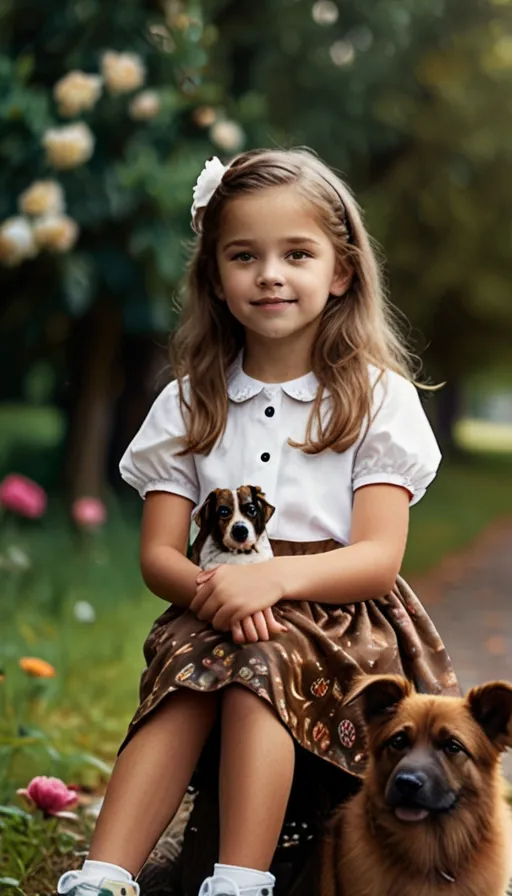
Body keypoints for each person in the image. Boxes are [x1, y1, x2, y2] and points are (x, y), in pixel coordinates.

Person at [57, 148, 459, 896]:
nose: (270, 273)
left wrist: (272, 581)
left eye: (296, 254)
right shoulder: (188, 402)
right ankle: (103, 876)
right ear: (215, 276)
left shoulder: (377, 400)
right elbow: (158, 556)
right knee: (188, 667)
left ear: (340, 272)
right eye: (244, 255)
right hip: (213, 603)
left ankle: (238, 881)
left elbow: (376, 557)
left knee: (258, 663)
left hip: (340, 617)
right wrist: (216, 589)